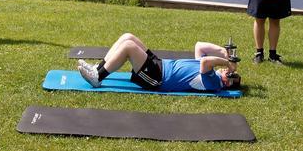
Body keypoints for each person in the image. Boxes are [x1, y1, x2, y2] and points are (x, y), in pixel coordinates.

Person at [77, 33, 241, 93]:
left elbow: (206, 62)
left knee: (128, 47)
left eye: (228, 73)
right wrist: (222, 51)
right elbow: (200, 46)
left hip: (157, 78)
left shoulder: (213, 82)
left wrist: (227, 63)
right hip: (160, 65)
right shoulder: (209, 73)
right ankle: (98, 69)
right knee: (128, 37)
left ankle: (97, 78)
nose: (225, 70)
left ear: (227, 82)